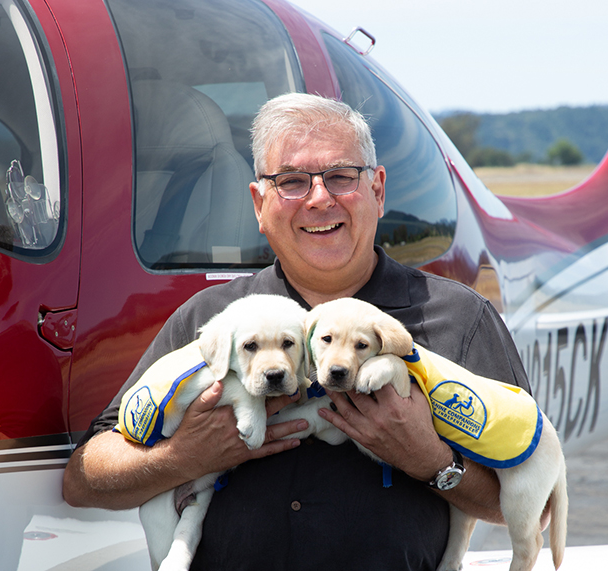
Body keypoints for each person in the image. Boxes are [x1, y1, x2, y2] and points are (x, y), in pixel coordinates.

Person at [63, 92, 530, 570]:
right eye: (291, 182)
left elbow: (524, 496)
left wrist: (430, 460)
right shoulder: (212, 320)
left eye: (341, 177)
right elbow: (83, 479)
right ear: (259, 204)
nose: (320, 199)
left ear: (378, 190)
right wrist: (185, 456)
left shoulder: (459, 317)